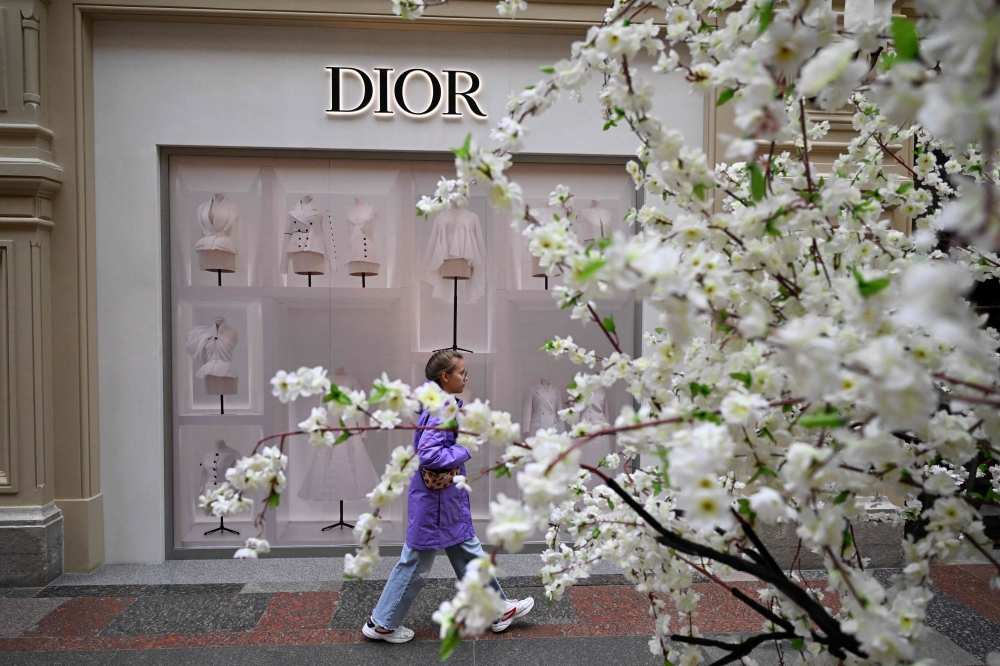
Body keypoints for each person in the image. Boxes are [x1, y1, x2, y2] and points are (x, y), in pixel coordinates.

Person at [362, 349, 534, 643]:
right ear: (445, 376)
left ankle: (497, 610)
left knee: (468, 554)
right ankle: (382, 624)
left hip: (441, 501)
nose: (466, 377)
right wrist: (465, 449)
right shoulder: (441, 408)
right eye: (462, 372)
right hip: (437, 505)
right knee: (416, 561)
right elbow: (428, 454)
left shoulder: (440, 404)